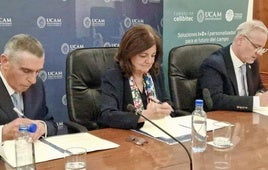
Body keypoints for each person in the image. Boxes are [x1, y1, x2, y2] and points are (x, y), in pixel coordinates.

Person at [98, 24, 173, 129]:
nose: (149, 61)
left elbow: (165, 100)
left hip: (155, 133)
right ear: (129, 53)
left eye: (153, 55)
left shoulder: (155, 72)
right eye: (143, 56)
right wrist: (144, 116)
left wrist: (165, 108)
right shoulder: (114, 76)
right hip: (126, 137)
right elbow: (107, 115)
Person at [196, 20, 268, 111]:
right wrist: (256, 102)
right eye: (257, 47)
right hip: (221, 120)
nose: (259, 53)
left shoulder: (252, 62)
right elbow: (214, 100)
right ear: (240, 40)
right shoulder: (214, 64)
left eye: (262, 48)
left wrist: (260, 94)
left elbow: (259, 87)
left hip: (246, 119)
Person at [0, 34, 57, 142]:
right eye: (26, 71)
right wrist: (2, 133)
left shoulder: (37, 85)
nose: (33, 80)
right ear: (5, 61)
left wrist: (42, 127)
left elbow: (51, 123)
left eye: (37, 72)